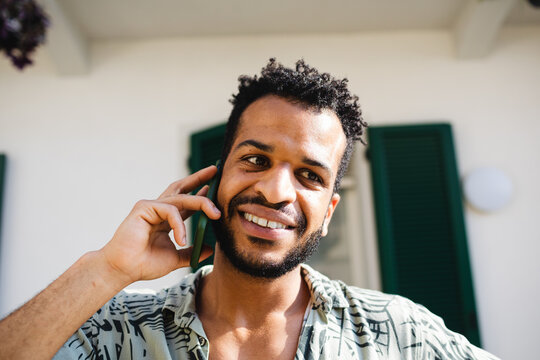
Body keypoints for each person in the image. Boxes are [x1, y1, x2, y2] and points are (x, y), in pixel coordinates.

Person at [0, 59, 499, 360]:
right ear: (215, 177)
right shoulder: (119, 331)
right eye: (256, 160)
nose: (277, 191)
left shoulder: (397, 331)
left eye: (310, 175)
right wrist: (107, 268)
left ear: (328, 210)